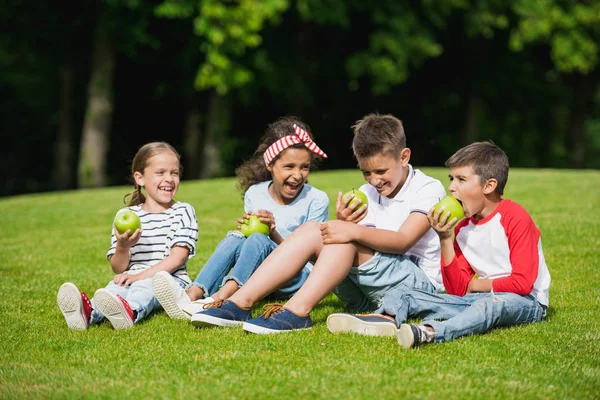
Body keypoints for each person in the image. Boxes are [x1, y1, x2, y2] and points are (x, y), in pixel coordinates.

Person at [192, 113, 446, 333]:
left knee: (341, 235)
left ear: (404, 157)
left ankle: (296, 311)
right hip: (366, 297)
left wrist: (350, 229)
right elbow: (344, 247)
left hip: (416, 290)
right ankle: (240, 303)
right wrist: (344, 222)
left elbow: (402, 242)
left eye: (381, 171)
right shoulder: (366, 192)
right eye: (366, 172)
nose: (373, 180)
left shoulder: (427, 188)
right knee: (316, 230)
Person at [326, 141, 551, 348]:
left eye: (461, 180)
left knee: (489, 306)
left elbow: (522, 283)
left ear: (489, 185)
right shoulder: (462, 229)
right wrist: (445, 238)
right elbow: (457, 291)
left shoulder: (515, 217)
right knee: (409, 295)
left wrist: (477, 286)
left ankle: (431, 331)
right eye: (451, 179)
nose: (452, 188)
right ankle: (384, 318)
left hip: (525, 301)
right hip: (477, 297)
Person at [152, 117, 330, 321]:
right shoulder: (255, 194)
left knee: (258, 238)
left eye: (304, 167)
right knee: (236, 237)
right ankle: (193, 294)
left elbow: (311, 259)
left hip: (296, 277)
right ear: (270, 165)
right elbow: (249, 246)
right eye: (289, 166)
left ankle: (222, 298)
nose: (298, 175)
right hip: (259, 277)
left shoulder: (316, 199)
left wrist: (272, 232)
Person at [56, 142, 198, 330]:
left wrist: (138, 277)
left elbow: (178, 258)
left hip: (168, 280)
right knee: (111, 290)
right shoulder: (127, 215)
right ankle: (88, 313)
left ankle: (131, 311)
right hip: (131, 276)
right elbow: (118, 267)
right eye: (160, 172)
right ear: (140, 178)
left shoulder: (183, 211)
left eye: (174, 173)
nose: (169, 179)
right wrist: (123, 246)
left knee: (144, 288)